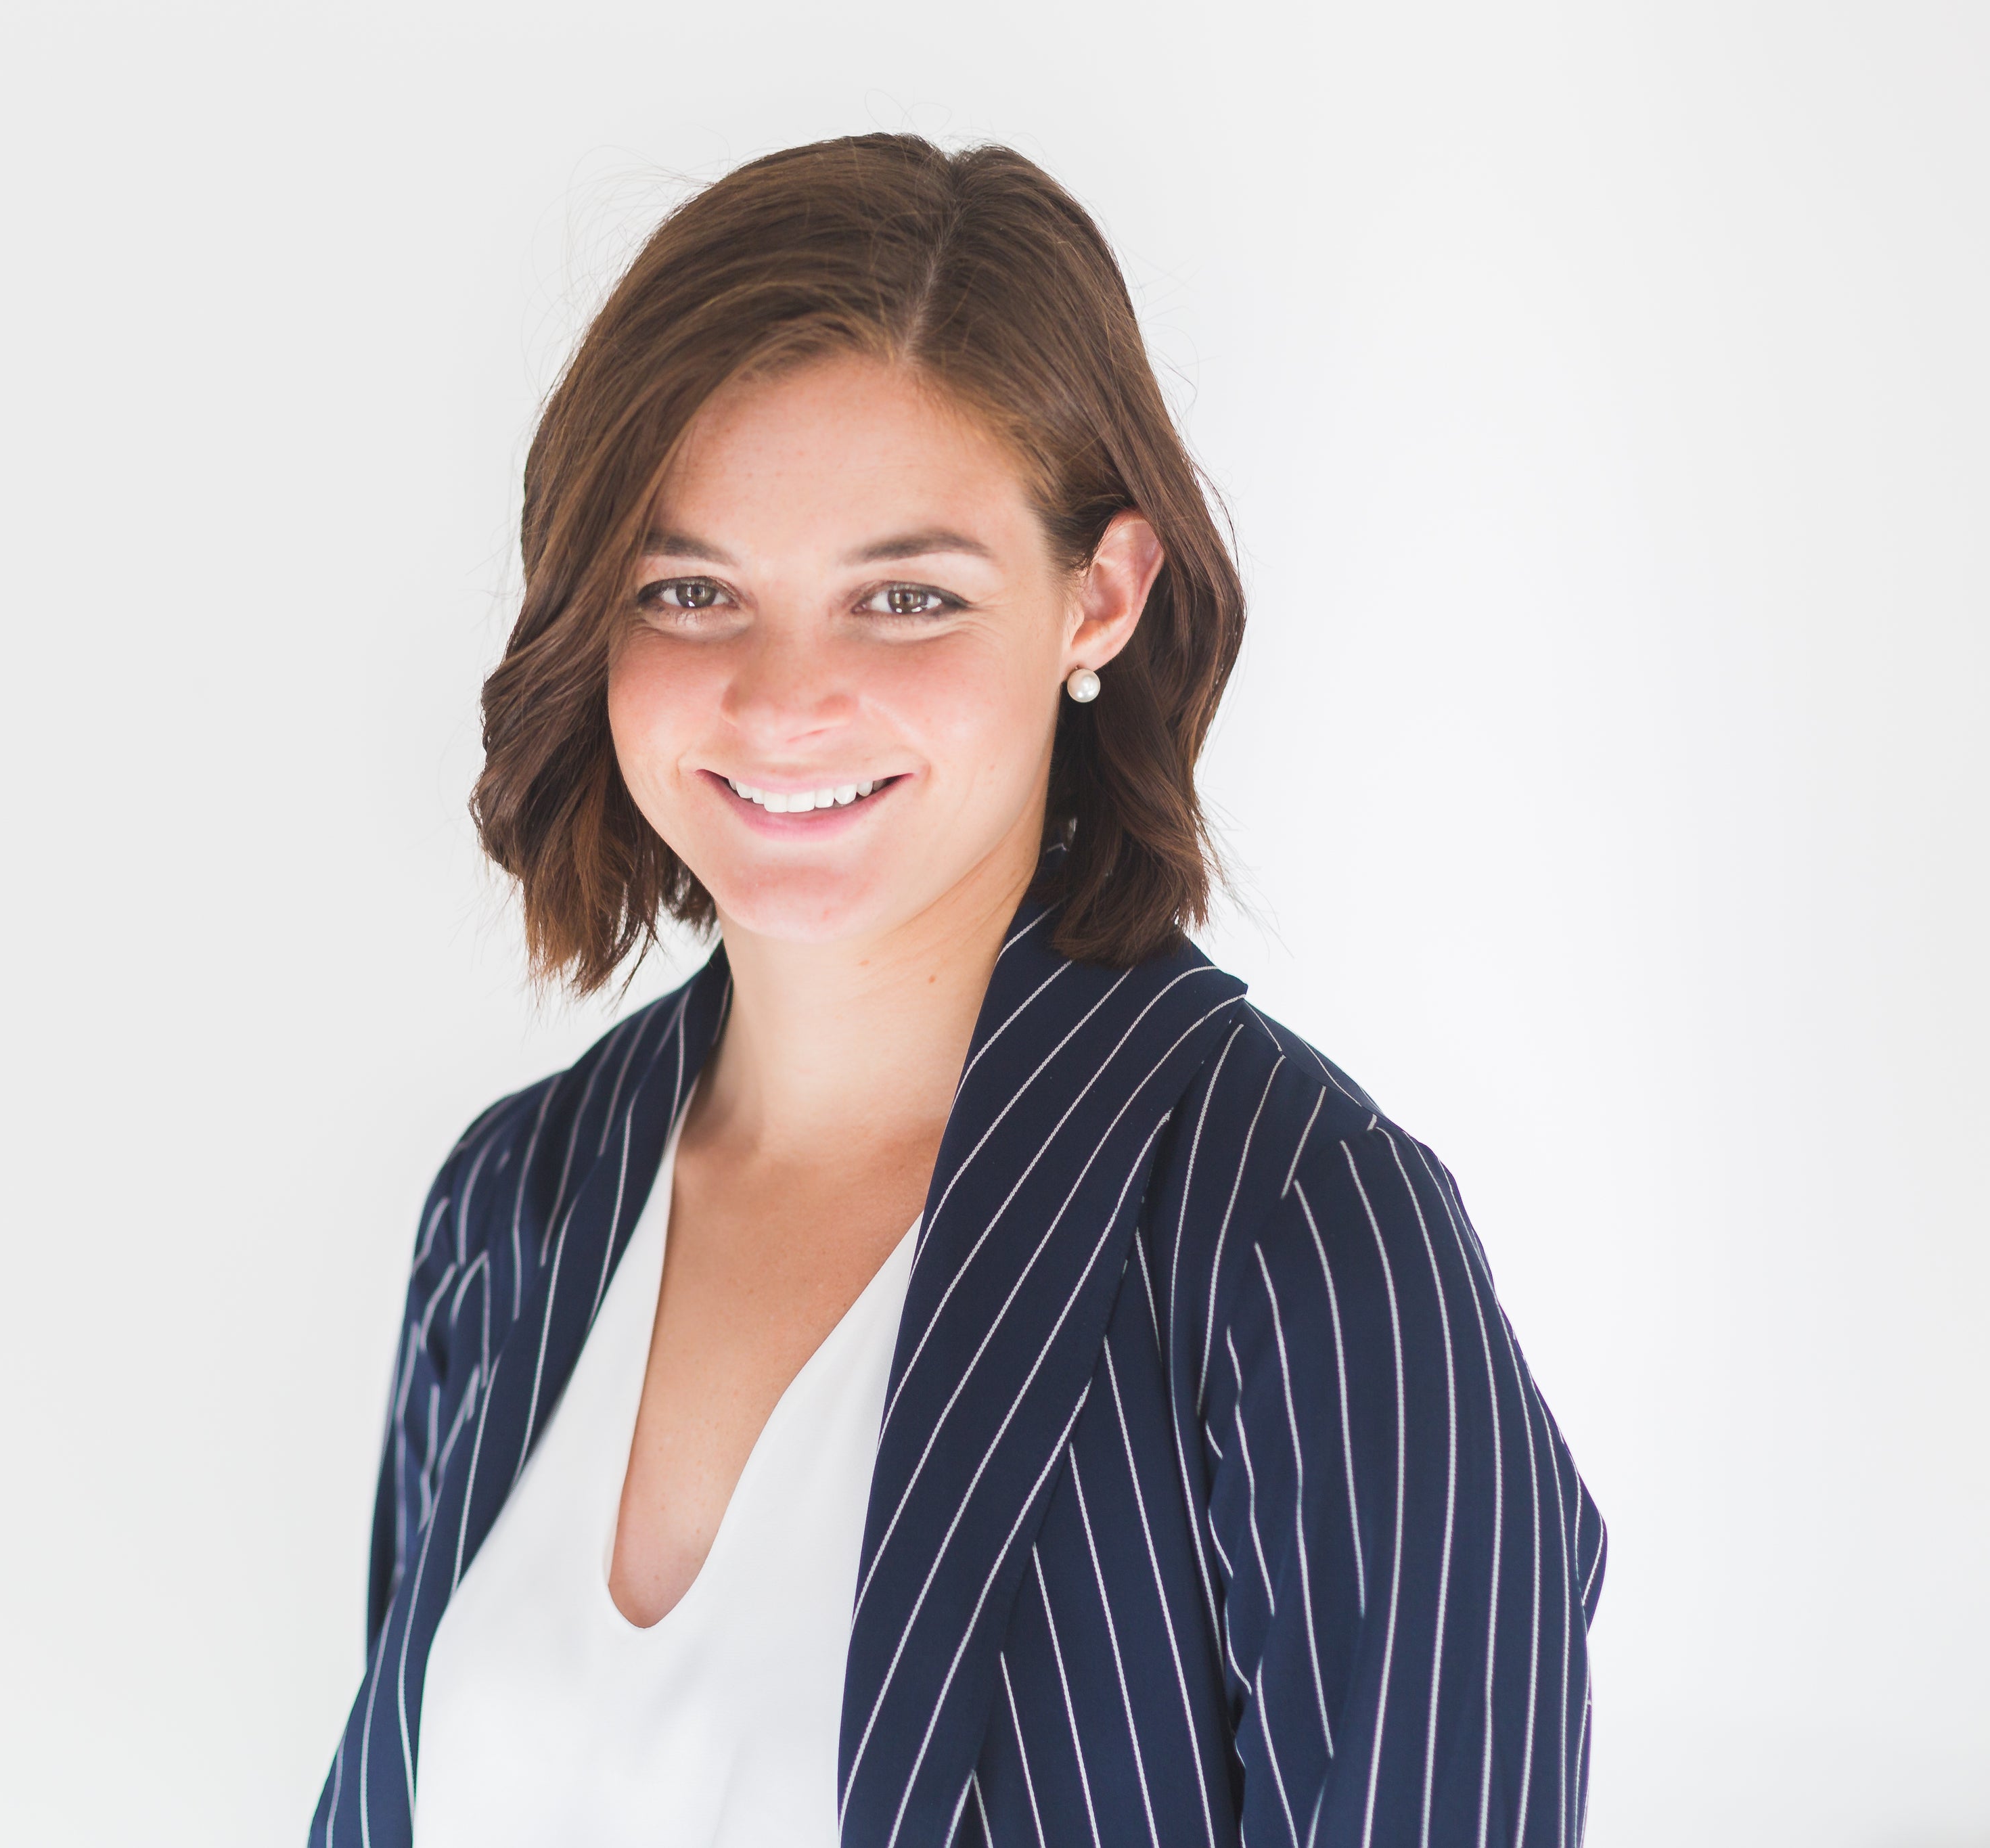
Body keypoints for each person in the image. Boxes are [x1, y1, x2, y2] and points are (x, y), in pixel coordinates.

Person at [312, 133, 1602, 1848]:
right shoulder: (512, 1205)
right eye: (689, 590)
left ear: (1099, 599)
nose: (782, 703)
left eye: (904, 595)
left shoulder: (1292, 1226)